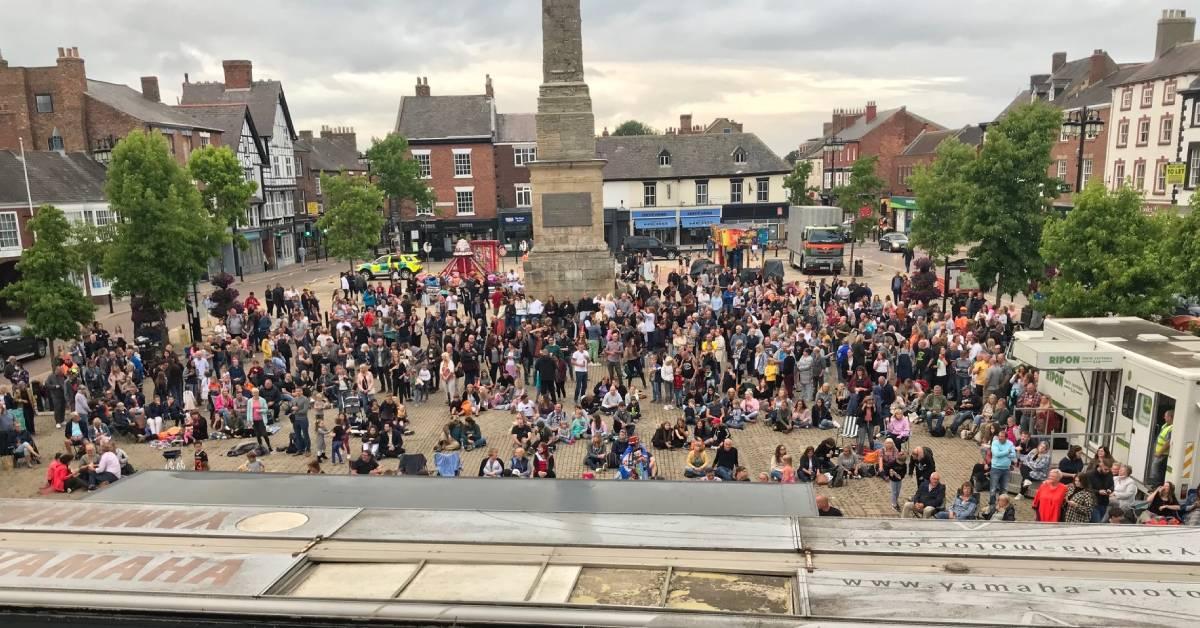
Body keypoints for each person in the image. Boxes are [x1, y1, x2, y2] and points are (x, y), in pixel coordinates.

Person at [988, 429, 1016, 508]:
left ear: (1006, 438)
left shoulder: (1010, 443)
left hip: (1006, 469)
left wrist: (1003, 454)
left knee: (1004, 489)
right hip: (995, 468)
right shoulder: (995, 443)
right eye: (999, 436)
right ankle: (992, 505)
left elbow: (1013, 455)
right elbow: (996, 454)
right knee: (993, 488)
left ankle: (1002, 505)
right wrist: (1007, 452)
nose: (1000, 438)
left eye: (1002, 437)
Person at [1151, 410, 1173, 487]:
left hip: (1163, 454)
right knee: (1156, 470)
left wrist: (1159, 452)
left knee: (1157, 471)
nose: (1164, 417)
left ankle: (1157, 487)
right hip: (1160, 453)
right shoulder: (1166, 425)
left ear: (1170, 417)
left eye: (1165, 416)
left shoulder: (1171, 428)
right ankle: (1155, 486)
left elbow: (1168, 442)